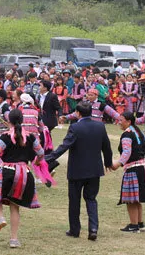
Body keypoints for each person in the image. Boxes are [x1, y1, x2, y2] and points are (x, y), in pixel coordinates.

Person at [45, 102, 113, 241]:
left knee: (74, 201)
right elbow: (106, 147)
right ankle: (93, 229)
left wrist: (48, 158)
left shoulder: (75, 127)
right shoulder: (100, 126)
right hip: (94, 170)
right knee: (91, 199)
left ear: (78, 113)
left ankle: (75, 230)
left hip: (77, 170)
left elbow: (64, 146)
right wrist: (108, 163)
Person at [0, 109, 43, 249]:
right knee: (15, 207)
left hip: (8, 171)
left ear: (9, 121)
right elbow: (41, 152)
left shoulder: (6, 137)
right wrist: (38, 161)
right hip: (25, 173)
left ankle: (0, 218)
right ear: (22, 120)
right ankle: (14, 240)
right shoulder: (31, 137)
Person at [110, 111, 145, 233]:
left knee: (130, 200)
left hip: (132, 169)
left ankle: (134, 226)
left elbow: (127, 152)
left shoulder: (127, 134)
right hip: (143, 168)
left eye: (121, 120)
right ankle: (140, 223)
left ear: (128, 121)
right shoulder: (138, 132)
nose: (119, 122)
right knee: (137, 199)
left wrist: (117, 164)